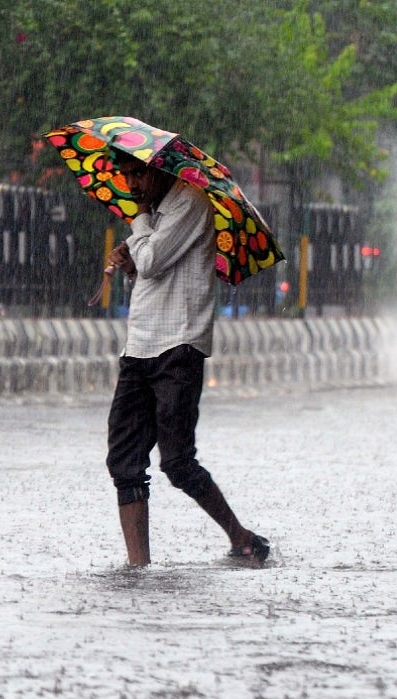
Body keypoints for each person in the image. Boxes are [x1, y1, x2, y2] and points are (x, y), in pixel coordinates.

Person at [103, 148, 269, 567]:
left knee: (177, 462)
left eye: (137, 175)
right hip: (139, 344)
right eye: (125, 176)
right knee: (124, 462)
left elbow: (154, 260)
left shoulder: (191, 202)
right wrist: (130, 262)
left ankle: (241, 536)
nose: (132, 186)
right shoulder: (156, 210)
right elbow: (149, 268)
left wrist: (138, 229)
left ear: (158, 168)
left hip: (178, 346)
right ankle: (138, 566)